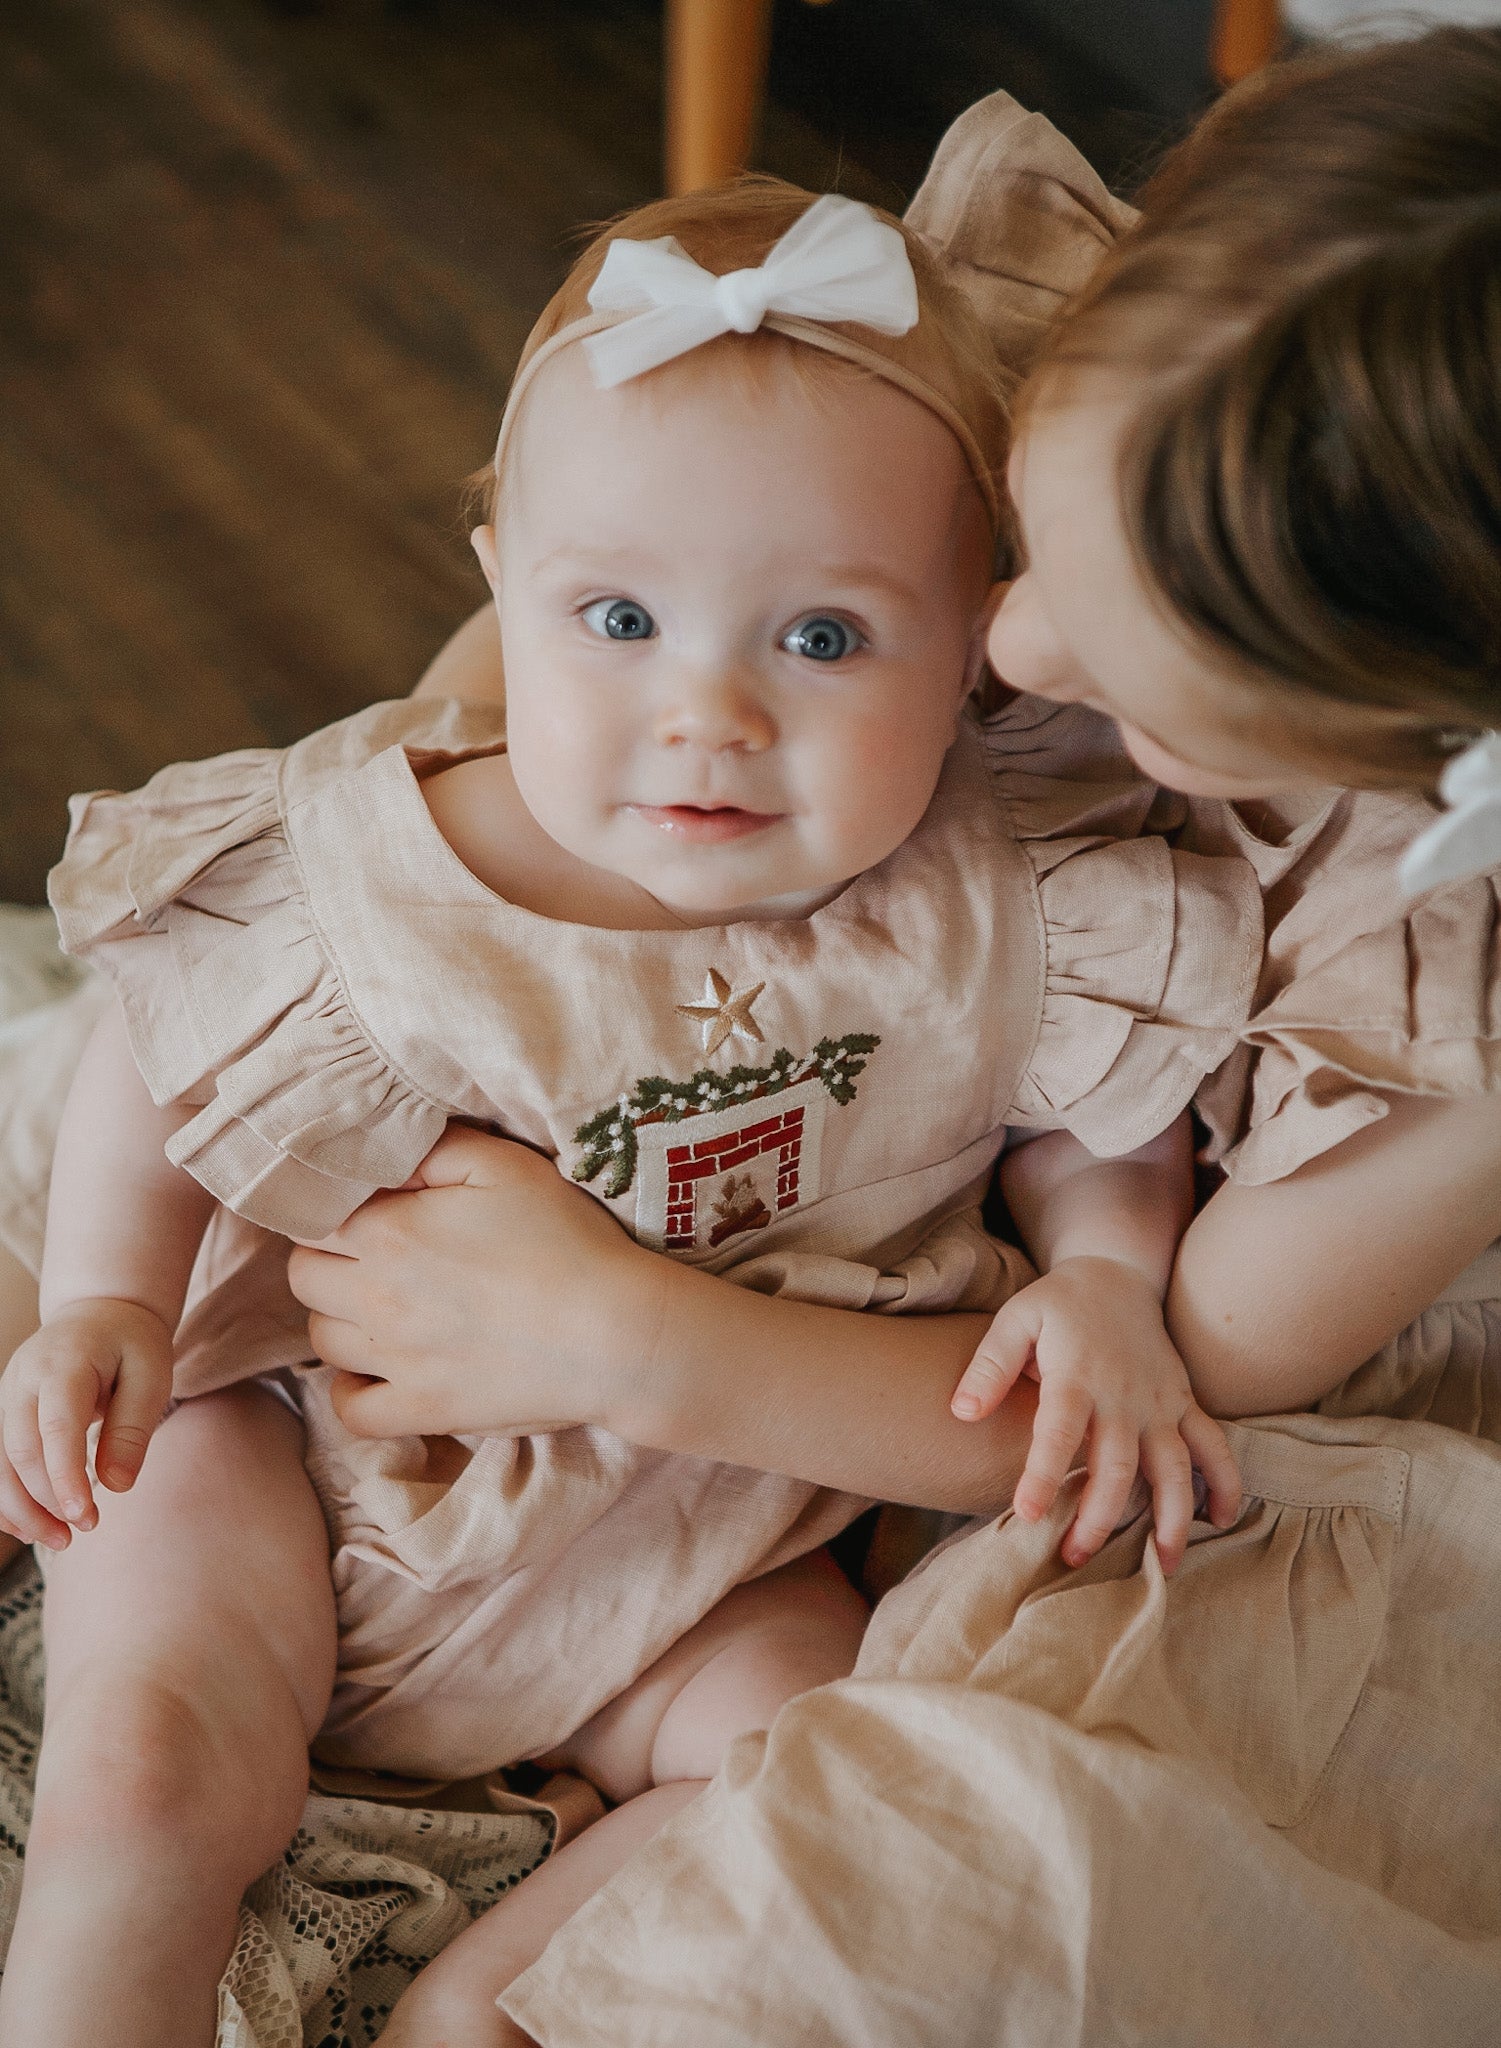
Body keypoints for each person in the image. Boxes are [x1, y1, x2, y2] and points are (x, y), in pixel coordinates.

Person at [282, 35, 1501, 2047]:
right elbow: (579, 607)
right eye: (1023, 552)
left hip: (1142, 1426)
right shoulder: (1178, 350)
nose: (1013, 657)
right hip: (877, 1159)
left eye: (1134, 680)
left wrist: (634, 1347)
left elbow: (1179, 1372)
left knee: (972, 1873)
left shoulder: (1433, 969)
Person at [0, 177, 1253, 2045]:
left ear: (977, 636)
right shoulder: (372, 867)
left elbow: (1100, 1120)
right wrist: (108, 1297)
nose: (708, 715)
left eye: (822, 640)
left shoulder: (1009, 905)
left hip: (695, 1543)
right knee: (150, 1769)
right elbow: (163, 1052)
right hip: (305, 1459)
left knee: (801, 1757)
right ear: (502, 582)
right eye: (616, 617)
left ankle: (486, 2007)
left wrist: (1098, 1277)